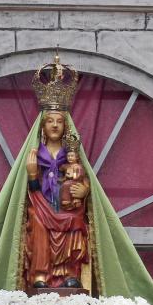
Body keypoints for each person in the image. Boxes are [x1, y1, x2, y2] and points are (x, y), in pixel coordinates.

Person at [25, 110, 89, 288]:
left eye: (59, 121)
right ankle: (40, 275)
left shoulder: (71, 153)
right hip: (41, 203)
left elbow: (84, 176)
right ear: (42, 127)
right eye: (50, 121)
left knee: (75, 220)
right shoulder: (36, 153)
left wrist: (85, 190)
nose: (54, 125)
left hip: (66, 207)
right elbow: (28, 190)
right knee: (38, 220)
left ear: (65, 127)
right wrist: (31, 173)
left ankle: (70, 273)